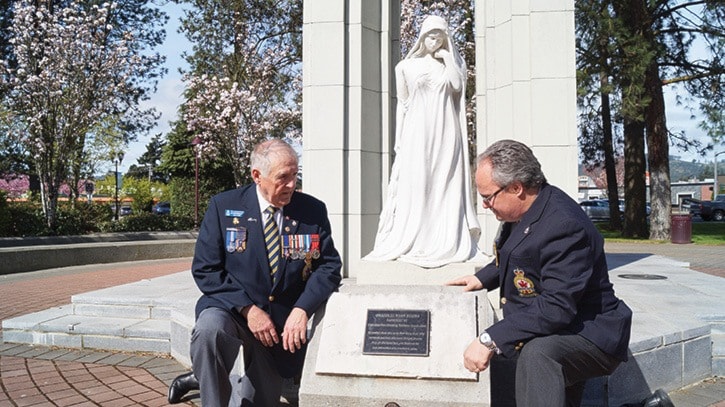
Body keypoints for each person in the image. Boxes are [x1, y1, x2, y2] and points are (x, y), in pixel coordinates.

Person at [447, 139, 632, 406]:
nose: (485, 205)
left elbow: (557, 306)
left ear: (516, 188)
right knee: (519, 355)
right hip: (558, 327)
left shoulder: (564, 226)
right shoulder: (525, 211)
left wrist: (489, 338)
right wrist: (482, 278)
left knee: (537, 354)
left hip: (591, 332)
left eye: (488, 197)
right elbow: (516, 256)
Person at [168, 139, 342, 406]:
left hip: (278, 326)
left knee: (258, 401)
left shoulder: (311, 210)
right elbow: (206, 269)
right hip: (233, 311)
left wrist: (302, 308)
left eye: (295, 175)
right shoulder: (224, 207)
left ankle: (200, 377)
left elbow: (328, 266)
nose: (292, 185)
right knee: (209, 330)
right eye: (283, 177)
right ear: (257, 176)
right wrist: (248, 309)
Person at [364, 15, 481, 268]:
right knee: (418, 185)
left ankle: (444, 240)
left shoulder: (449, 64)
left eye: (440, 36)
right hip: (417, 133)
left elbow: (457, 85)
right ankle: (417, 239)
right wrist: (399, 141)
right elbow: (403, 106)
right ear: (421, 37)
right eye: (430, 35)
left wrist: (449, 58)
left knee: (444, 184)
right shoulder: (404, 67)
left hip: (446, 132)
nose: (435, 40)